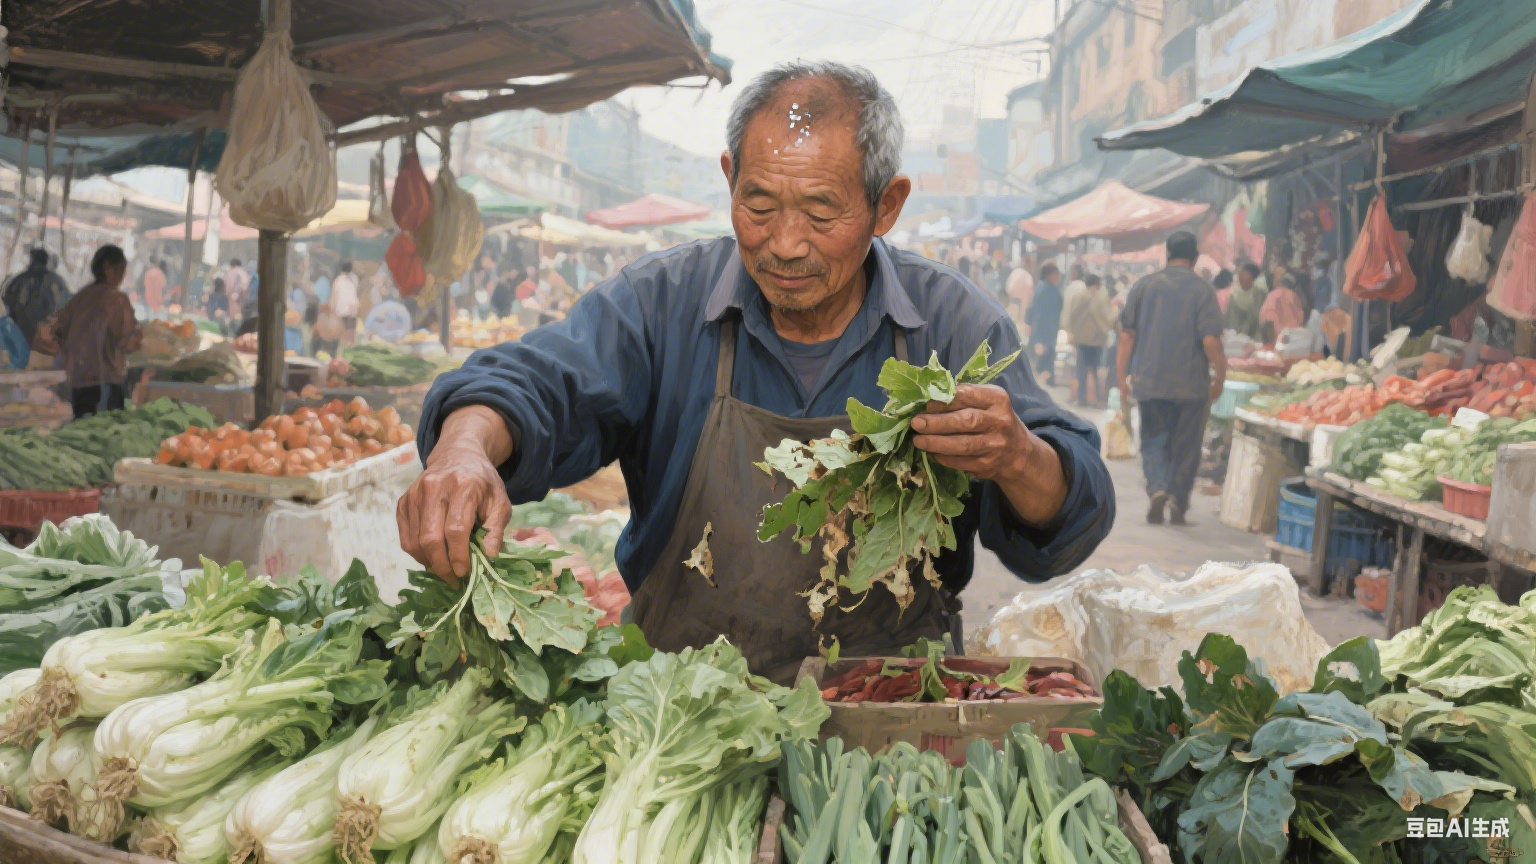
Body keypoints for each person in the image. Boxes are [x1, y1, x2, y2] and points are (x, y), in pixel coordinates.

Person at [397, 61, 1114, 683]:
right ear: (729, 179)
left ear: (886, 206)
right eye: (760, 205)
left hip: (889, 716)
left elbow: (1071, 512)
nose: (785, 245)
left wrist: (1019, 458)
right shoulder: (661, 303)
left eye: (821, 213)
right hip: (684, 708)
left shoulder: (953, 326)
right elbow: (536, 380)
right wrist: (464, 448)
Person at [1116, 231, 1226, 527]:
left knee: (1153, 440)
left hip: (1149, 381)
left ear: (1168, 254)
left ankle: (1158, 488)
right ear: (1194, 257)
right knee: (1186, 446)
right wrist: (1220, 376)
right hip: (1191, 385)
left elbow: (1127, 336)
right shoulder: (1203, 290)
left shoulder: (1144, 286)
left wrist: (1121, 376)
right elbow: (1210, 341)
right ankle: (1178, 500)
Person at [32, 245, 142, 418]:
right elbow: (129, 343)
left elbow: (50, 334)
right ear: (108, 269)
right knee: (108, 434)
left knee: (84, 432)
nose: (122, 276)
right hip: (108, 383)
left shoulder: (79, 298)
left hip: (79, 384)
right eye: (120, 270)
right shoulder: (117, 300)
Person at [2, 248, 71, 347]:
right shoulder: (56, 280)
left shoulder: (20, 278)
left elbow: (6, 303)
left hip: (20, 335)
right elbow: (65, 305)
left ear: (32, 260)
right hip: (47, 337)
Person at [1064, 274, 1114, 407]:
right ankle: (1098, 399)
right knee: (1097, 369)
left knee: (1081, 369)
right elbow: (1107, 318)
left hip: (1081, 339)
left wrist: (1072, 332)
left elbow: (1071, 316)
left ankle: (1082, 398)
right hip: (1097, 340)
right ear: (1098, 284)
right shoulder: (1102, 297)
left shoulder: (1079, 296)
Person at [1026, 263, 1065, 386]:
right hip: (1047, 328)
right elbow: (1053, 310)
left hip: (1041, 328)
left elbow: (1032, 308)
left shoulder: (1039, 287)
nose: (1058, 277)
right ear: (1049, 275)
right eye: (1056, 274)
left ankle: (1044, 377)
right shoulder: (1050, 290)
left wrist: (1030, 323)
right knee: (1047, 355)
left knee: (1043, 354)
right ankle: (1047, 377)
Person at [1260, 271, 1308, 343]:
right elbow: (1300, 317)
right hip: (1290, 338)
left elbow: (1265, 315)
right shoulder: (1293, 295)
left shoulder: (1272, 294)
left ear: (1280, 283)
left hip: (1273, 336)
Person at [1225, 261, 1266, 341]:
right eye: (1240, 275)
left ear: (1253, 278)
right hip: (1234, 339)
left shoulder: (1260, 294)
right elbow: (1230, 320)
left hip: (1255, 338)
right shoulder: (1234, 295)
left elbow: (1257, 319)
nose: (1241, 277)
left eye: (1244, 275)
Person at [1004, 256, 1035, 338]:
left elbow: (1008, 288)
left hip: (1011, 303)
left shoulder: (1015, 272)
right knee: (1018, 330)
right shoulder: (1027, 276)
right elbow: (1028, 296)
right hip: (1020, 305)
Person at [331, 261, 360, 345]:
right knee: (350, 335)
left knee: (343, 335)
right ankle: (348, 350)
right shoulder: (353, 279)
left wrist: (334, 309)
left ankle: (344, 351)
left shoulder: (338, 281)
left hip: (342, 311)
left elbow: (334, 296)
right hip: (350, 311)